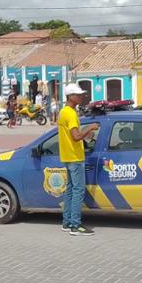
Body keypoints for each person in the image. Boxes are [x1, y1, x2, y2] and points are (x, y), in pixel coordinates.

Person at [59, 83, 98, 236]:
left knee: (69, 190)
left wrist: (86, 135)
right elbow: (76, 137)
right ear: (71, 97)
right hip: (75, 158)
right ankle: (76, 225)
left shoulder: (64, 112)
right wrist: (91, 128)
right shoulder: (71, 114)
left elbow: (71, 135)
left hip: (67, 156)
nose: (81, 97)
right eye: (79, 95)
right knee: (78, 190)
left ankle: (67, 222)